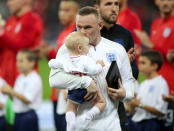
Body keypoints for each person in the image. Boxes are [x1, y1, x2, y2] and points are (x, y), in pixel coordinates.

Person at [49, 6, 135, 131]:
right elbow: (54, 80)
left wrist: (125, 94)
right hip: (81, 125)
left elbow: (128, 80)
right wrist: (85, 82)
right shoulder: (68, 48)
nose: (82, 31)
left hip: (111, 125)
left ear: (100, 26)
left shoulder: (117, 49)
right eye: (79, 27)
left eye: (88, 27)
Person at [94, 0, 138, 130]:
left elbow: (134, 73)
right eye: (108, 4)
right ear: (97, 8)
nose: (114, 8)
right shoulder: (85, 32)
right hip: (90, 105)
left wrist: (126, 65)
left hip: (116, 106)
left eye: (116, 4)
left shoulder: (126, 35)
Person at [49, 31, 106, 131]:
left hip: (73, 89)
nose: (88, 48)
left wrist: (53, 63)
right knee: (102, 103)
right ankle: (89, 115)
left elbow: (53, 63)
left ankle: (70, 125)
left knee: (71, 107)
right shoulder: (85, 59)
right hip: (88, 90)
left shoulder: (65, 59)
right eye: (87, 45)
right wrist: (100, 65)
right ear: (80, 48)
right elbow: (94, 70)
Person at [40, 1, 79, 130]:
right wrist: (49, 53)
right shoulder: (64, 32)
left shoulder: (76, 33)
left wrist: (65, 88)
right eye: (61, 10)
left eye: (67, 10)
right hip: (57, 91)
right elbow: (61, 60)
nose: (62, 14)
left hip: (65, 93)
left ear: (76, 13)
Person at [135, 0, 174, 129]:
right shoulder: (156, 24)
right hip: (154, 84)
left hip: (171, 87)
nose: (165, 3)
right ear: (156, 2)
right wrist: (144, 52)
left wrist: (151, 45)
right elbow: (156, 54)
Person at [0, 0, 43, 86]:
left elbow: (22, 46)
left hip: (23, 78)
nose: (8, 3)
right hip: (5, 77)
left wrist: (2, 34)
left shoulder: (32, 19)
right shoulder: (10, 20)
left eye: (11, 0)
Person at [127, 50, 169, 131]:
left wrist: (140, 105)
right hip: (137, 125)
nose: (140, 66)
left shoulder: (161, 83)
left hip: (152, 124)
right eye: (139, 63)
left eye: (143, 63)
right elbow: (137, 112)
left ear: (154, 66)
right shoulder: (143, 84)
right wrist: (132, 105)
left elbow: (162, 111)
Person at [1, 49, 42, 131]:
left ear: (31, 62)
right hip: (17, 116)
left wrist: (10, 91)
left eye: (21, 61)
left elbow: (27, 99)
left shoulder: (34, 78)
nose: (17, 64)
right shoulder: (20, 77)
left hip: (28, 116)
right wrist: (8, 93)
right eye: (17, 61)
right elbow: (15, 98)